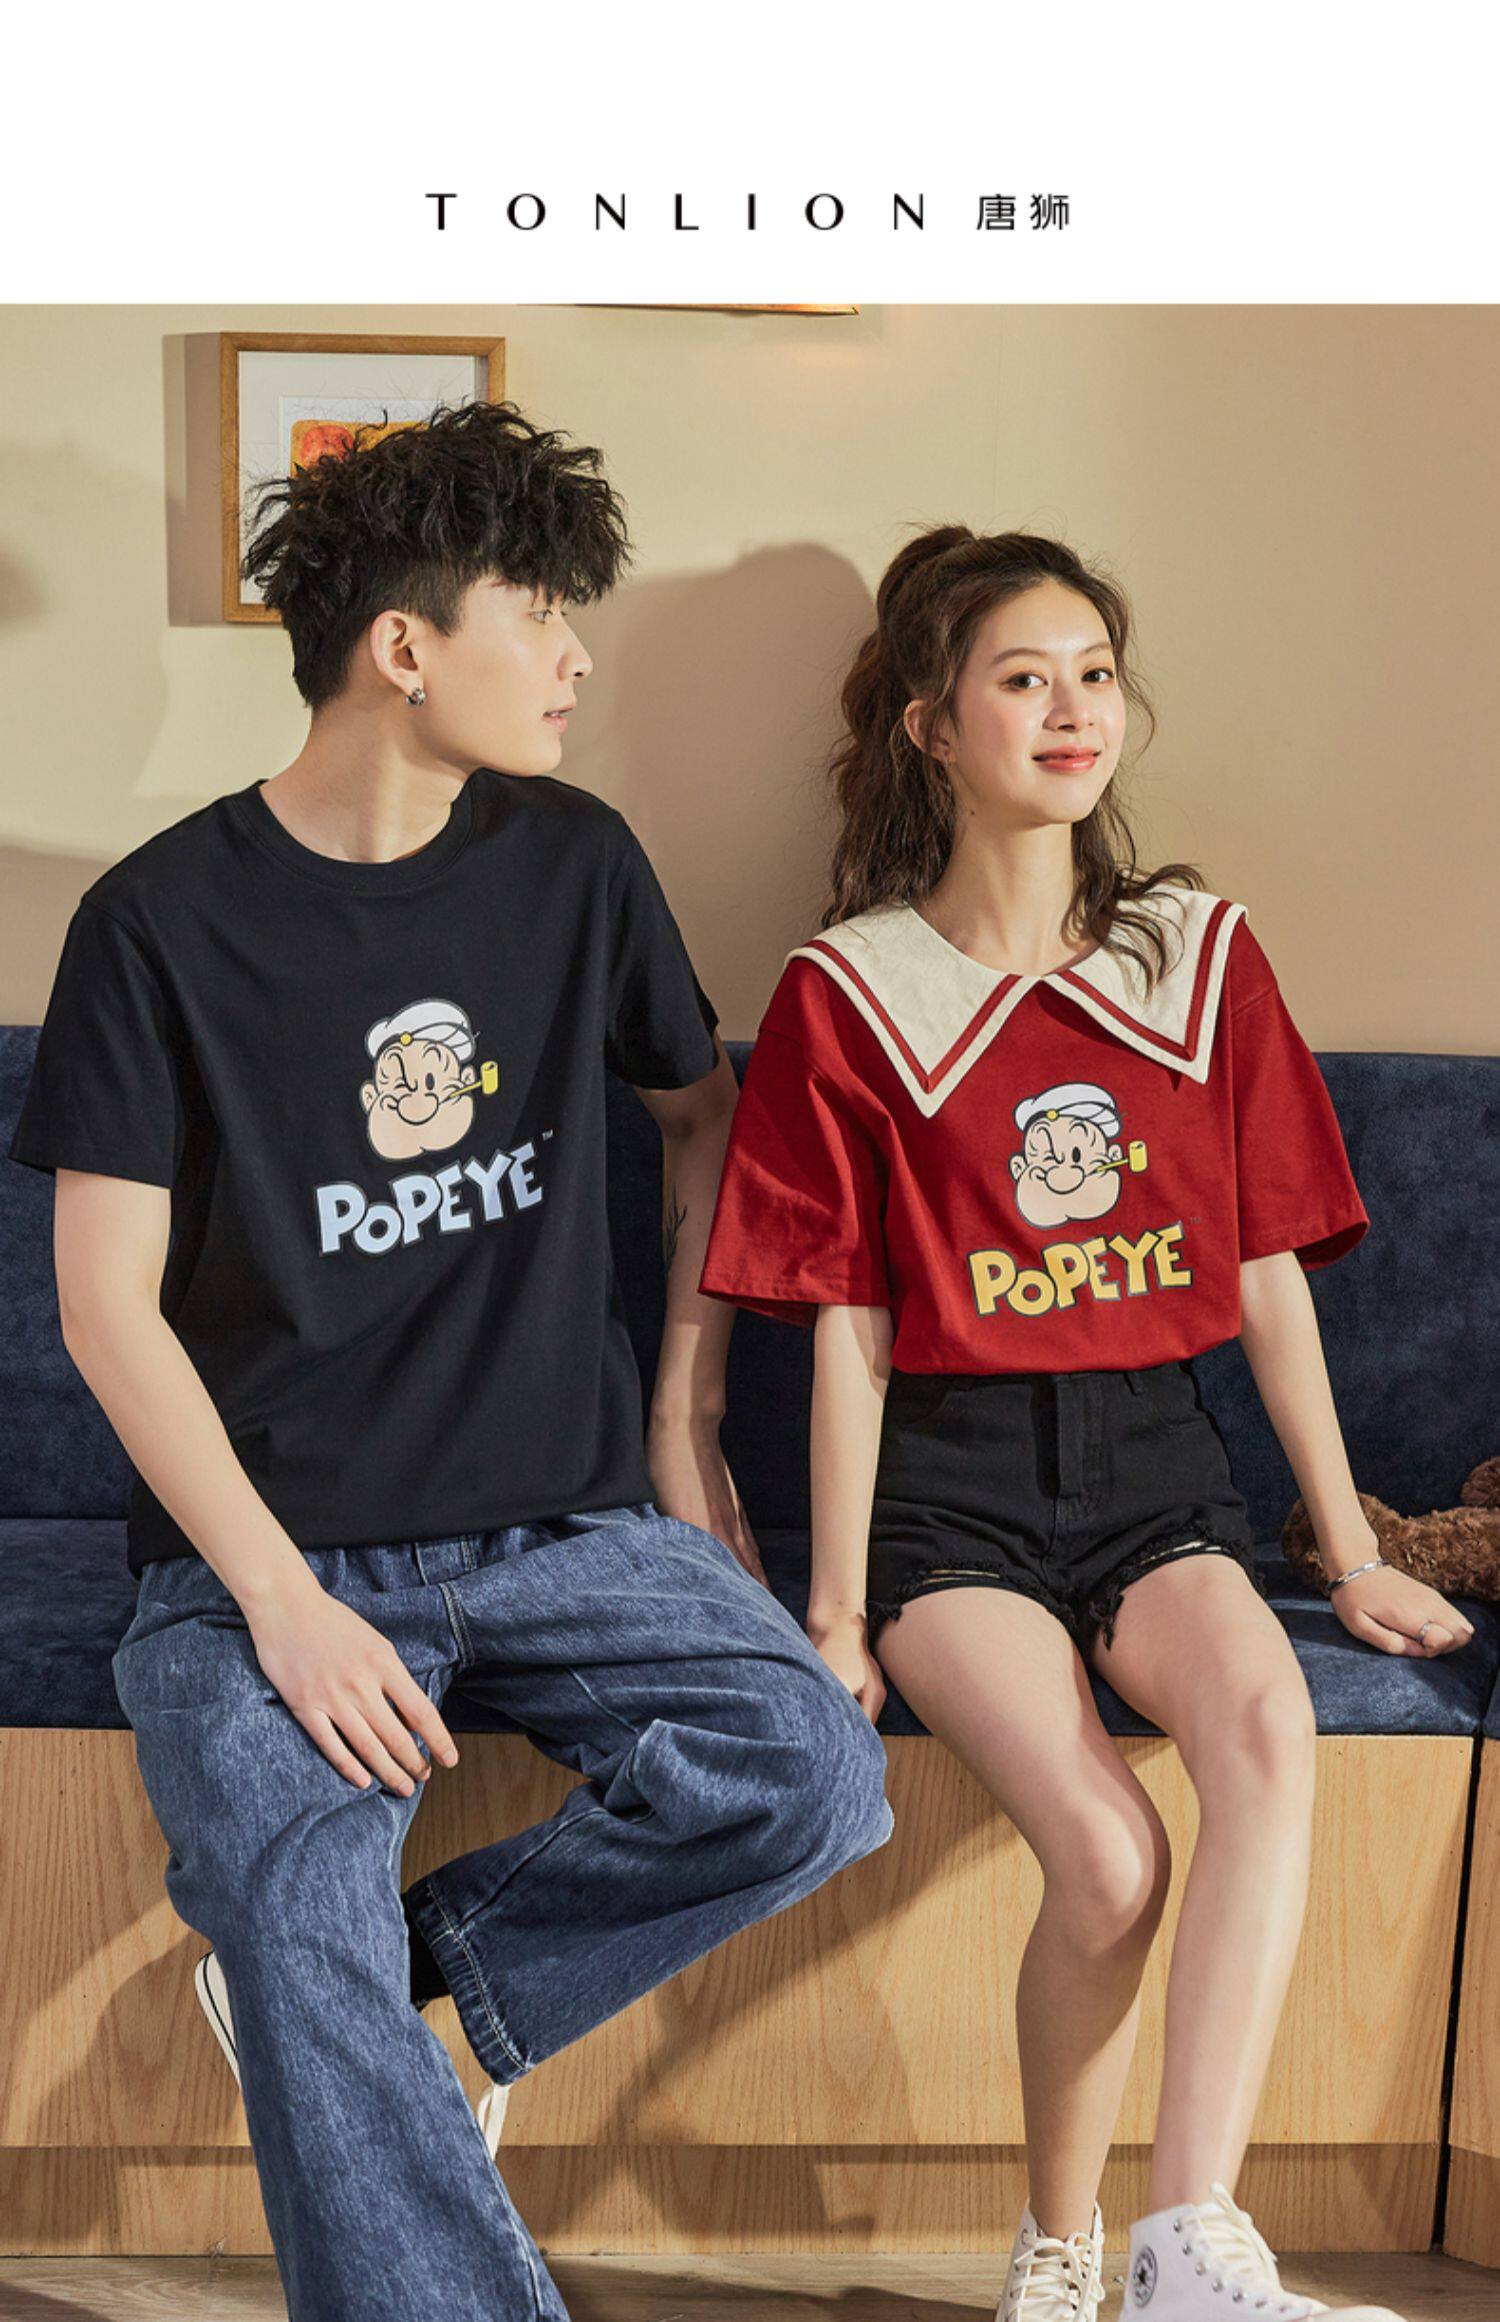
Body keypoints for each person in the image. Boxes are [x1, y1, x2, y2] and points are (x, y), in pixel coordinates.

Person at [7, 402, 892, 2322]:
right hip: (269, 1556)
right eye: (541, 609)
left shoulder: (578, 865)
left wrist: (680, 1428)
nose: (577, 655)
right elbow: (103, 1306)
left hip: (566, 1526)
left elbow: (702, 1121)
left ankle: (351, 1997)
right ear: (404, 646)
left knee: (814, 1769)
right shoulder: (154, 924)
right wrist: (282, 1605)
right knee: (298, 1893)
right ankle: (321, 1985)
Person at [698, 526, 1473, 2322]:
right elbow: (851, 1326)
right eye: (1024, 678)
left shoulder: (1198, 957)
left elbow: (1266, 1273)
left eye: (1097, 674)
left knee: (1267, 1719)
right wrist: (835, 1615)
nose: (1073, 710)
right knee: (1114, 1857)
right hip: (948, 1492)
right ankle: (1058, 2251)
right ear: (930, 725)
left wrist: (1347, 1541)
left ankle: (1191, 2242)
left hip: (1158, 1469)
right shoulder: (850, 993)